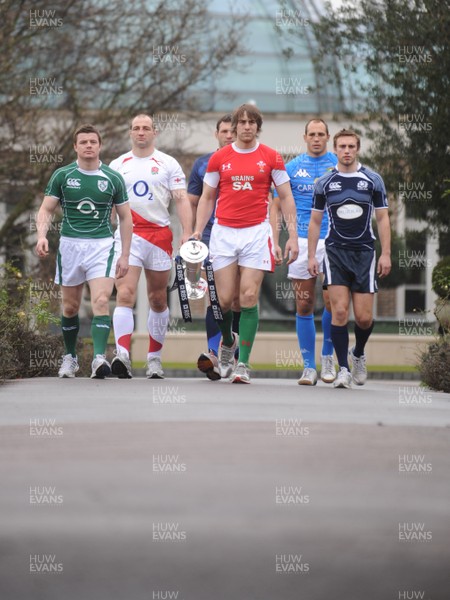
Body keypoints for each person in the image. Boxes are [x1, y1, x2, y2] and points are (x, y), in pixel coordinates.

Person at [193, 103, 299, 384]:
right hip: (224, 233)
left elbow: (286, 197)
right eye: (242, 122)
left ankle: (243, 363)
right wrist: (196, 231)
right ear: (235, 126)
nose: (247, 126)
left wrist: (294, 236)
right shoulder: (220, 158)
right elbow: (206, 197)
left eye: (252, 122)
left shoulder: (271, 157)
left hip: (255, 233)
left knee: (248, 297)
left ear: (258, 126)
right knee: (225, 300)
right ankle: (228, 341)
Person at [35, 124, 132, 379]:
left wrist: (125, 255)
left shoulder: (113, 178)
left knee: (101, 300)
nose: (89, 146)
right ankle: (71, 357)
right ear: (75, 147)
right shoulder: (63, 175)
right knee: (70, 307)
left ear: (100, 146)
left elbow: (125, 218)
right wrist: (42, 236)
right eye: (83, 142)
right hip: (70, 245)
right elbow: (45, 209)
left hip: (101, 246)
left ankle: (99, 358)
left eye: (93, 142)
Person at [109, 113, 192, 379]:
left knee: (157, 298)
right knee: (125, 294)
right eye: (136, 128)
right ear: (130, 132)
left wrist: (187, 232)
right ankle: (122, 355)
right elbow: (108, 202)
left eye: (146, 128)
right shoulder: (118, 164)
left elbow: (181, 200)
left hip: (159, 235)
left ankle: (154, 358)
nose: (141, 132)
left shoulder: (168, 163)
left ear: (154, 132)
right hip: (128, 235)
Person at [308, 128, 391, 388]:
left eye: (351, 147)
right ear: (335, 150)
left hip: (365, 253)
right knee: (340, 311)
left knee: (364, 318)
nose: (346, 151)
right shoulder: (324, 182)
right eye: (342, 147)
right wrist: (312, 255)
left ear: (357, 149)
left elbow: (382, 218)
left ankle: (357, 354)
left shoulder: (372, 179)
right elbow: (314, 220)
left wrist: (386, 254)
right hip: (335, 252)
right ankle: (343, 368)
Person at [272, 118, 337, 385]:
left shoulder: (339, 164)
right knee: (304, 303)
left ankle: (329, 359)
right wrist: (278, 239)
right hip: (300, 241)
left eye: (321, 134)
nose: (317, 138)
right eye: (312, 134)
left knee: (334, 302)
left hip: (334, 241)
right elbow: (275, 205)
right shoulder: (293, 167)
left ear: (328, 136)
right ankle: (309, 366)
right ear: (305, 137)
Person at [188, 114, 240, 381]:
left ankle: (234, 352)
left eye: (233, 131)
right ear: (216, 133)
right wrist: (190, 234)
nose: (229, 135)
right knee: (214, 295)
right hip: (210, 237)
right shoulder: (203, 164)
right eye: (224, 131)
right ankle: (213, 353)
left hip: (243, 234)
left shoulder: (249, 161)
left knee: (238, 297)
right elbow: (193, 202)